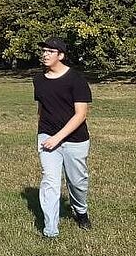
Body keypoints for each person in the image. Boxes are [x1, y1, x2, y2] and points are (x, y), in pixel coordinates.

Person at [33, 37, 93, 238]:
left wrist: (57, 137)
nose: (45, 54)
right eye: (44, 51)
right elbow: (41, 110)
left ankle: (81, 211)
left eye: (51, 51)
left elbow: (81, 115)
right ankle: (50, 229)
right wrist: (41, 134)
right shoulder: (38, 80)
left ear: (61, 56)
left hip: (75, 140)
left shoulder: (76, 80)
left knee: (77, 182)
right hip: (47, 137)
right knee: (50, 180)